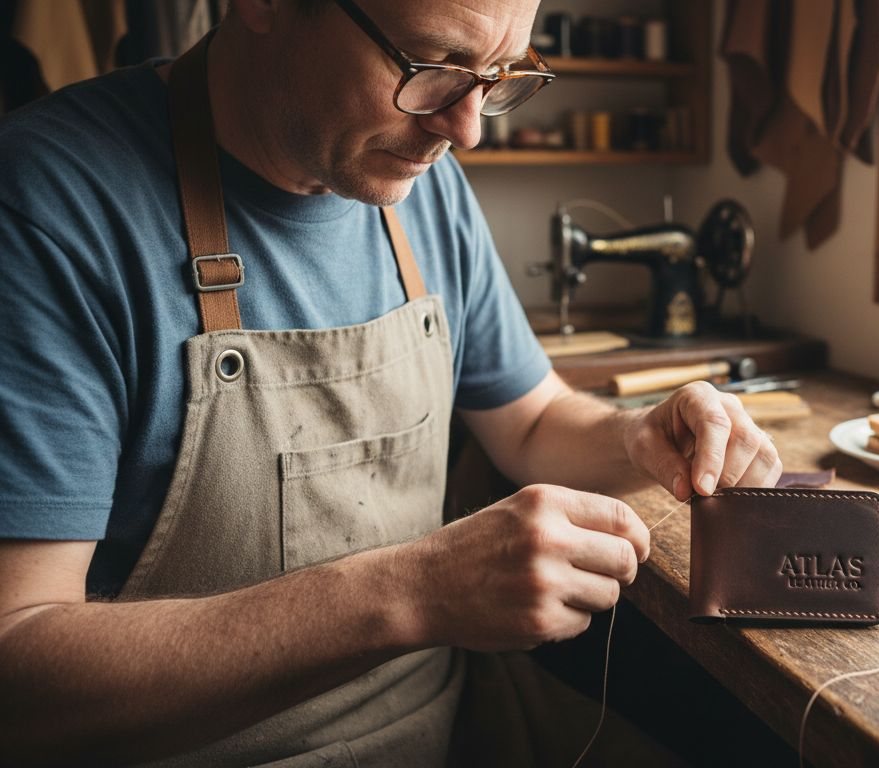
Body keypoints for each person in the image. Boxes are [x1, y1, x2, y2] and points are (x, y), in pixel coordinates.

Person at [0, 0, 782, 764]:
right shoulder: (51, 201)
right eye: (433, 66)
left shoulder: (421, 184)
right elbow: (18, 674)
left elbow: (533, 421)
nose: (466, 129)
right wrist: (413, 592)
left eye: (500, 75)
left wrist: (637, 435)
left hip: (448, 715)